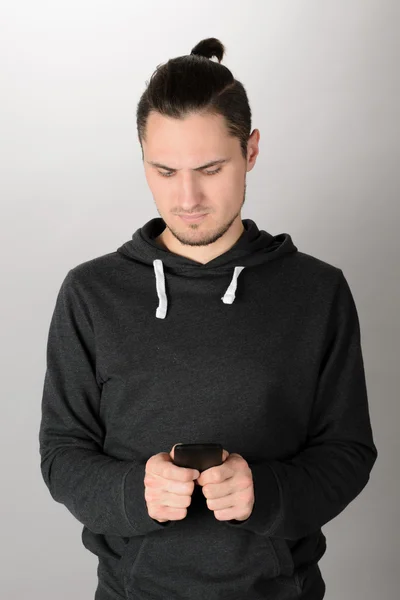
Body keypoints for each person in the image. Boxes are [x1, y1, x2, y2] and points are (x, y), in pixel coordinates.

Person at [39, 37, 378, 600]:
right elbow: (62, 452)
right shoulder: (91, 293)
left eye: (211, 168)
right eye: (164, 170)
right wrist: (133, 492)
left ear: (251, 152)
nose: (188, 196)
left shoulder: (317, 291)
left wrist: (264, 492)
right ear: (142, 158)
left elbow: (348, 452)